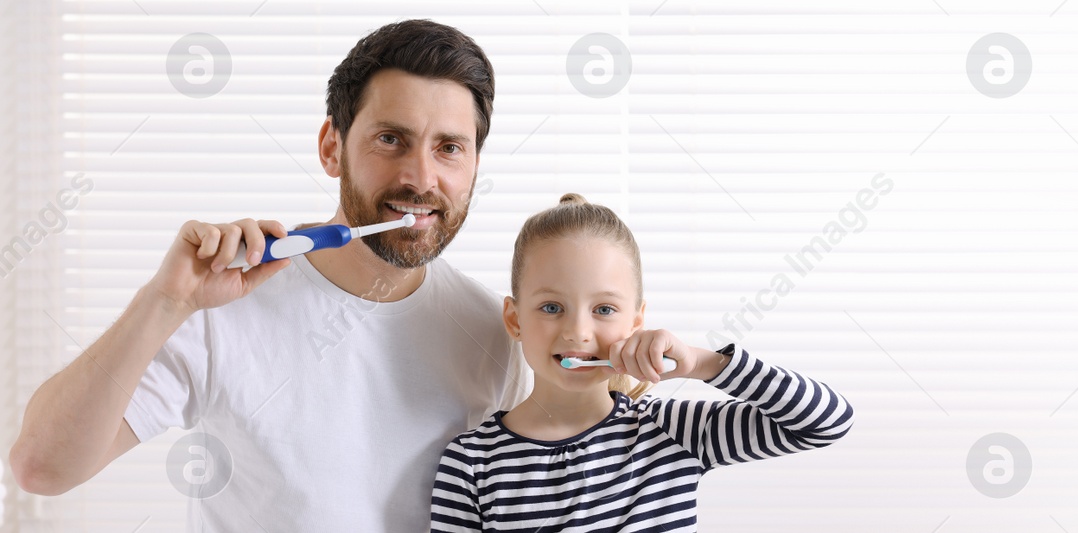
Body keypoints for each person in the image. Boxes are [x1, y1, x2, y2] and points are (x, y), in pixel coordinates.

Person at [8, 19, 527, 530]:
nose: (420, 177)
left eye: (450, 148)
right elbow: (41, 468)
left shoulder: (493, 331)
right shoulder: (221, 302)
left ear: (475, 165)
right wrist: (166, 301)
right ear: (331, 147)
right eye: (391, 139)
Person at [429, 193, 854, 532]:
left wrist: (701, 364)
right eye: (552, 307)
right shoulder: (471, 462)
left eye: (605, 310)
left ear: (636, 323)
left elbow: (827, 422)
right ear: (514, 318)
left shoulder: (670, 432)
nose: (578, 332)